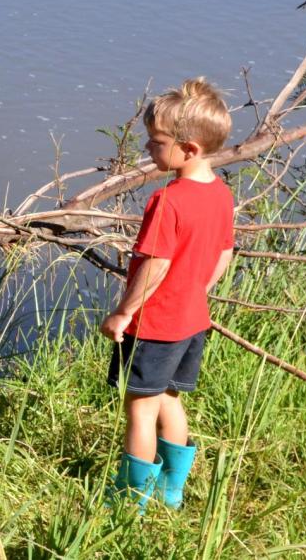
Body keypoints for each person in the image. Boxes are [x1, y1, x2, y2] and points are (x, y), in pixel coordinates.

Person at [100, 78, 234, 513]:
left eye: (157, 142)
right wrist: (198, 290)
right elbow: (225, 252)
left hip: (155, 325)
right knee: (169, 399)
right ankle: (171, 492)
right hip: (192, 319)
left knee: (140, 410)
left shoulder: (167, 201)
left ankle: (131, 498)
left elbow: (156, 263)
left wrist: (124, 312)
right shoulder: (220, 193)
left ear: (189, 149)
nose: (148, 148)